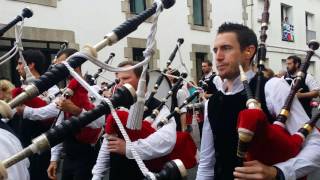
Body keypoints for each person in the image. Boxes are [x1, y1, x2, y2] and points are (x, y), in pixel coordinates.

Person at [196, 22, 320, 180]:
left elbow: (315, 144)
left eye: (226, 48)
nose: (218, 57)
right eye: (215, 50)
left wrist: (279, 172)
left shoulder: (272, 88)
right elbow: (207, 163)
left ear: (248, 51)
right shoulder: (212, 103)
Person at [91, 61, 176, 180]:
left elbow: (167, 141)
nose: (120, 84)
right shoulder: (116, 106)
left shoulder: (160, 109)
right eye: (118, 80)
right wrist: (97, 175)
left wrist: (128, 148)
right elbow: (108, 143)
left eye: (125, 79)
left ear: (143, 82)